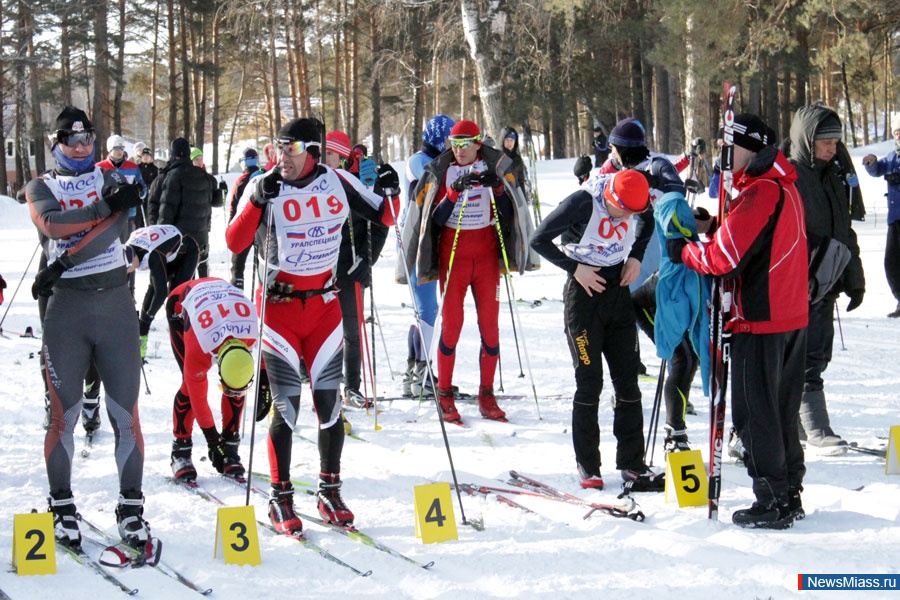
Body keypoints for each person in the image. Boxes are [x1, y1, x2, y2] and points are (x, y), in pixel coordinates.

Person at [226, 117, 400, 534]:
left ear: (313, 152)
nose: (281, 156)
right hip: (280, 310)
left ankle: (329, 488)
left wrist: (392, 188)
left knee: (330, 406)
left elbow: (388, 217)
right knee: (287, 407)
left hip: (324, 308)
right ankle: (280, 495)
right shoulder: (266, 185)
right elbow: (233, 242)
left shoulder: (337, 181)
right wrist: (255, 201)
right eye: (278, 147)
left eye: (291, 149)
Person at [668, 113, 808, 529]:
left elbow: (723, 260)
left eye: (731, 149)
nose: (725, 158)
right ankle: (788, 492)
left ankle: (771, 499)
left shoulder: (760, 191)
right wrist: (716, 226)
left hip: (760, 320)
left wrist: (683, 251)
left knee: (756, 414)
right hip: (788, 315)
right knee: (781, 411)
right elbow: (751, 243)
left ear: (753, 148)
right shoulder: (783, 185)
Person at [25, 106, 150, 548]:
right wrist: (105, 208)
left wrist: (62, 265)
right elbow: (55, 225)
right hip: (67, 313)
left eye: (87, 140)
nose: (80, 148)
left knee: (125, 415)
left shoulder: (112, 178)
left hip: (115, 305)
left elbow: (116, 231)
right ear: (55, 143)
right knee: (65, 417)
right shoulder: (41, 186)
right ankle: (61, 504)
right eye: (70, 140)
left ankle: (131, 506)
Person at [531, 169, 662, 491]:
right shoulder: (581, 202)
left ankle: (632, 463)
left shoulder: (636, 202)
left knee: (628, 382)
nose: (628, 218)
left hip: (617, 291)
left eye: (633, 212)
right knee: (590, 383)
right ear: (610, 198)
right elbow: (538, 239)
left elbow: (647, 222)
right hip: (584, 296)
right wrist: (576, 269)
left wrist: (635, 257)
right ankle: (588, 463)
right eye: (623, 212)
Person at [401, 119, 534, 423]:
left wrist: (497, 187)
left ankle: (487, 395)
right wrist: (453, 193)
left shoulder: (494, 165)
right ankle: (445, 394)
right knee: (452, 326)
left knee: (490, 327)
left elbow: (508, 211)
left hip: (485, 256)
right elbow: (432, 221)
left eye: (465, 144)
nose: (458, 151)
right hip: (454, 255)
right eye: (454, 144)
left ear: (478, 143)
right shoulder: (442, 169)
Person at [784, 105, 865, 453]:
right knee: (791, 359)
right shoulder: (789, 176)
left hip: (825, 282)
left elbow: (844, 231)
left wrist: (854, 277)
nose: (832, 148)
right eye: (825, 142)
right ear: (807, 139)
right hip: (794, 285)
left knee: (817, 354)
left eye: (835, 142)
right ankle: (811, 426)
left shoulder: (832, 175)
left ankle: (805, 425)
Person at [165, 277, 258, 482]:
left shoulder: (251, 334)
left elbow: (250, 371)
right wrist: (212, 440)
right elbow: (200, 400)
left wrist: (263, 387)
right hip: (182, 302)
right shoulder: (200, 347)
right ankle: (180, 450)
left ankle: (231, 445)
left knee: (237, 386)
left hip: (222, 304)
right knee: (189, 387)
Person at [324, 130, 390, 408]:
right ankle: (325, 383)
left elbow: (380, 222)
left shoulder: (362, 178)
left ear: (341, 157)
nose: (323, 159)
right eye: (321, 153)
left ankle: (352, 387)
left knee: (352, 329)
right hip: (320, 266)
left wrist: (367, 260)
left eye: (329, 154)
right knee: (324, 330)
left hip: (351, 264)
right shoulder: (314, 179)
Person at [399, 114, 455, 398]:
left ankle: (414, 371)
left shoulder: (429, 159)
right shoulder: (419, 161)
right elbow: (434, 185)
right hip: (416, 244)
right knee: (429, 310)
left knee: (423, 311)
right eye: (448, 140)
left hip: (426, 242)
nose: (451, 146)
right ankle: (421, 372)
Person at [600, 117, 685, 291]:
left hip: (655, 232)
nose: (612, 153)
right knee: (629, 284)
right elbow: (598, 186)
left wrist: (653, 183)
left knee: (645, 284)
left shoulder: (656, 164)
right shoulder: (615, 165)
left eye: (614, 148)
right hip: (623, 232)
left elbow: (677, 190)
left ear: (625, 148)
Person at [128, 224, 199, 361]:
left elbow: (161, 293)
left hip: (187, 252)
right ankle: (140, 353)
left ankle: (186, 353)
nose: (132, 271)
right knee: (149, 299)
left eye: (130, 269)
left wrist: (149, 317)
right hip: (167, 251)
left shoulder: (152, 255)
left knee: (174, 302)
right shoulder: (129, 246)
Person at [148, 138, 217, 279]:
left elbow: (166, 210)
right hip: (201, 239)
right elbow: (216, 201)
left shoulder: (172, 176)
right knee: (197, 279)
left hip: (179, 241)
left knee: (177, 284)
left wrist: (159, 236)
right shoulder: (204, 175)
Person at [97, 134, 148, 293]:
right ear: (109, 150)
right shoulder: (99, 167)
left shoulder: (132, 167)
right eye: (116, 148)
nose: (120, 152)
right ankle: (108, 287)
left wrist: (137, 192)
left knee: (127, 251)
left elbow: (143, 188)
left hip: (128, 215)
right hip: (107, 217)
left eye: (121, 148)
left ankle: (129, 289)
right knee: (107, 252)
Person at [862, 127, 900, 317]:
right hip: (895, 218)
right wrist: (871, 162)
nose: (899, 135)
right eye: (896, 132)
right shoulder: (893, 156)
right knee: (891, 262)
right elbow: (878, 169)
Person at [228, 148, 264, 290]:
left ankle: (237, 291)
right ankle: (263, 290)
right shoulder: (264, 176)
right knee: (262, 262)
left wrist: (231, 227)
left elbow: (234, 206)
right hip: (262, 227)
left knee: (238, 264)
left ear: (243, 163)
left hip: (245, 227)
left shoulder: (241, 181)